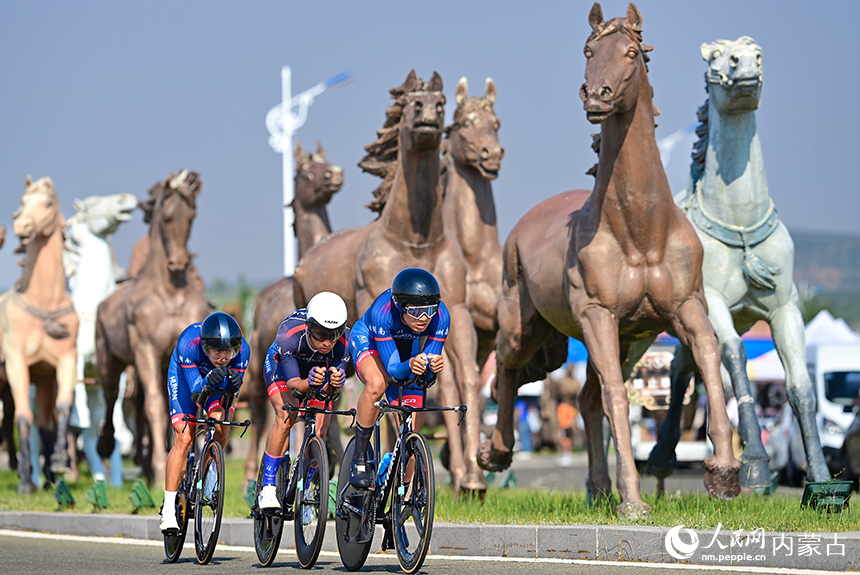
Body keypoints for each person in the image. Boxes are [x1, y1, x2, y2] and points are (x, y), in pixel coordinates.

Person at [347, 267, 449, 489]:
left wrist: (432, 369)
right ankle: (359, 456)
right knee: (378, 383)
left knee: (411, 431)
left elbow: (425, 379)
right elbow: (394, 371)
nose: (424, 318)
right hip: (370, 340)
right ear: (401, 307)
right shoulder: (383, 312)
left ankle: (403, 491)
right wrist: (412, 364)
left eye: (429, 310)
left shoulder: (441, 317)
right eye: (415, 312)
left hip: (405, 345)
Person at [257, 291, 350, 510]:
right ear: (309, 326)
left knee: (320, 428)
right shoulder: (288, 334)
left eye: (333, 334)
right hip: (284, 369)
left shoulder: (345, 341)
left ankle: (305, 488)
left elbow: (329, 392)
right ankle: (268, 486)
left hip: (316, 372)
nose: (326, 342)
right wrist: (309, 382)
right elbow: (293, 386)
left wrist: (334, 382)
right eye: (320, 334)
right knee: (286, 414)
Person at [159, 311, 250, 532]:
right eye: (216, 351)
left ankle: (210, 472)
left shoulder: (242, 352)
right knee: (184, 436)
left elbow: (229, 400)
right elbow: (195, 393)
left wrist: (232, 387)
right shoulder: (188, 343)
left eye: (228, 352)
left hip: (216, 383)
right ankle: (168, 509)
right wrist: (208, 379)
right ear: (205, 346)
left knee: (221, 423)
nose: (223, 358)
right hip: (186, 378)